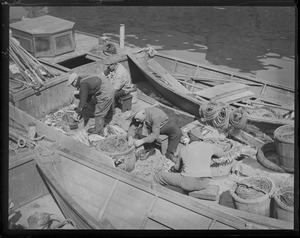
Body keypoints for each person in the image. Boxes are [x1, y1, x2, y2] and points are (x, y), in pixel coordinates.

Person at [153, 132, 225, 194]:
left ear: (190, 138)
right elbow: (221, 153)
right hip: (205, 182)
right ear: (200, 139)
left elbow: (177, 168)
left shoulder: (184, 149)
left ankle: (153, 194)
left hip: (189, 182)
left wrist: (173, 167)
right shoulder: (209, 146)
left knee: (159, 176)